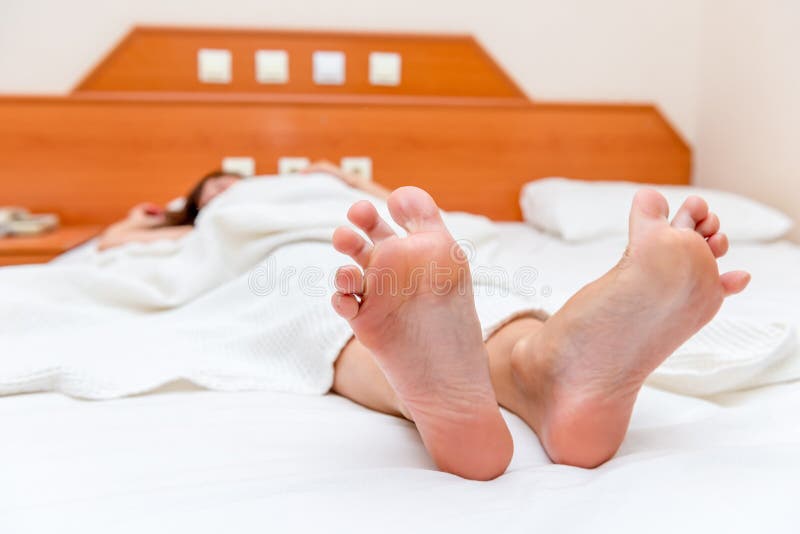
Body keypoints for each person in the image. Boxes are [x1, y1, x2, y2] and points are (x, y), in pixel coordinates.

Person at [327, 185, 750, 481]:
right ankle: (536, 362)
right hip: (407, 266)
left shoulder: (322, 182)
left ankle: (438, 387)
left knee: (347, 315)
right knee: (457, 290)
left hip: (390, 267)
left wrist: (341, 177)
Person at [98, 162, 388, 250]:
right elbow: (110, 242)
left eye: (232, 183)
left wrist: (343, 176)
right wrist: (136, 220)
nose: (231, 190)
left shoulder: (284, 186)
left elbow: (395, 202)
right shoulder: (207, 224)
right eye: (218, 190)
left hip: (337, 212)